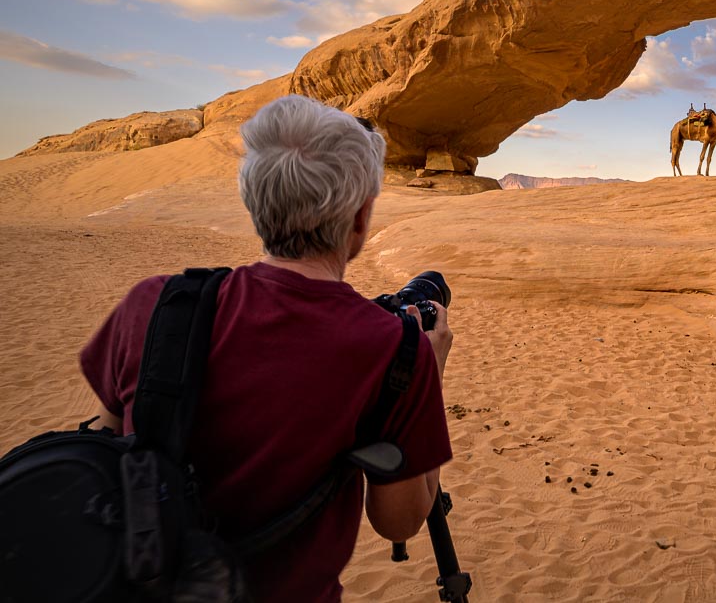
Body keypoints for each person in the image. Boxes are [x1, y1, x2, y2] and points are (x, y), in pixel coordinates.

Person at [79, 94, 453, 602]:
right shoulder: (391, 348)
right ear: (361, 220)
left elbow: (104, 445)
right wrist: (429, 369)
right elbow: (400, 522)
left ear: (255, 203)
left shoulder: (157, 304)